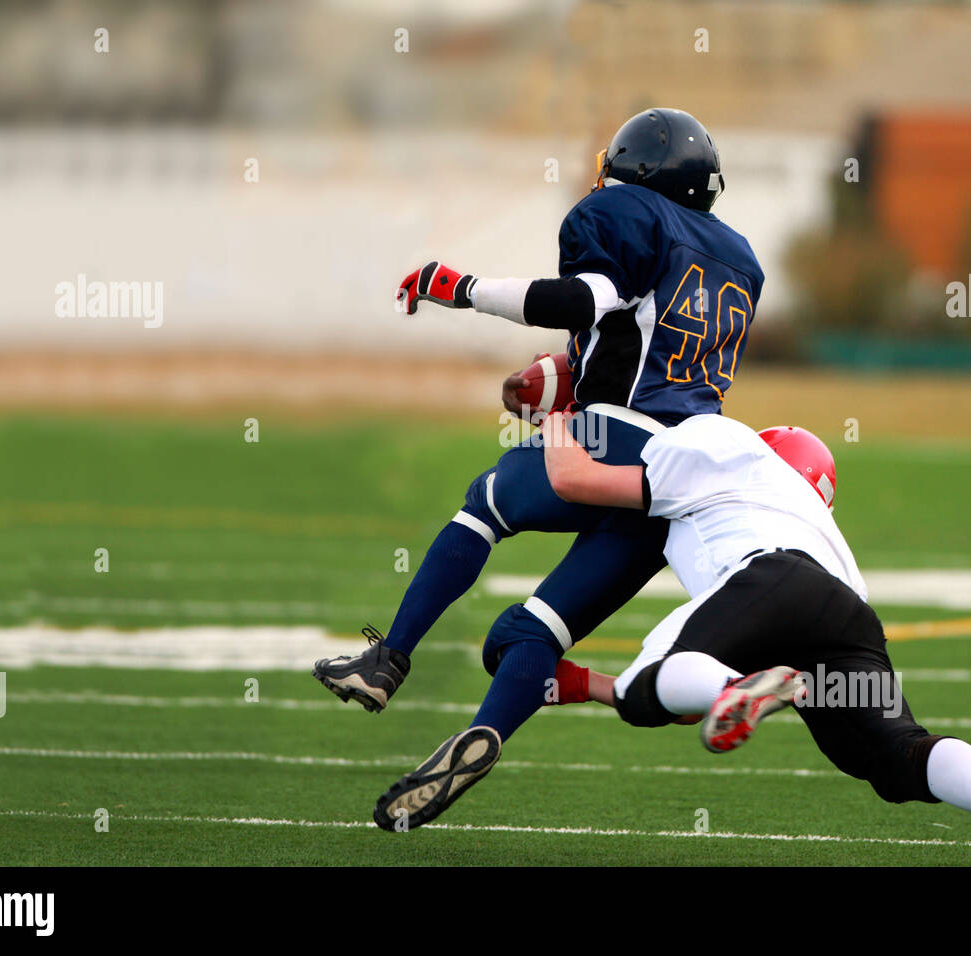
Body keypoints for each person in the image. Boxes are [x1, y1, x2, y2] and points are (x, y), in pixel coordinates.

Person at [309, 109, 765, 831]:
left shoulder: (622, 210)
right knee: (535, 632)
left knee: (483, 506)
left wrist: (455, 286)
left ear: (634, 169)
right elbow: (636, 336)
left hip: (613, 435)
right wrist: (569, 373)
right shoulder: (739, 258)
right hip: (681, 476)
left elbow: (581, 301)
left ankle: (388, 660)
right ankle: (488, 730)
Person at [536, 410, 971, 867]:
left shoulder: (732, 462)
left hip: (765, 581)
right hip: (845, 615)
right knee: (894, 754)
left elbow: (571, 479)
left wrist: (553, 418)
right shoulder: (820, 523)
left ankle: (736, 684)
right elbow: (683, 702)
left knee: (641, 688)